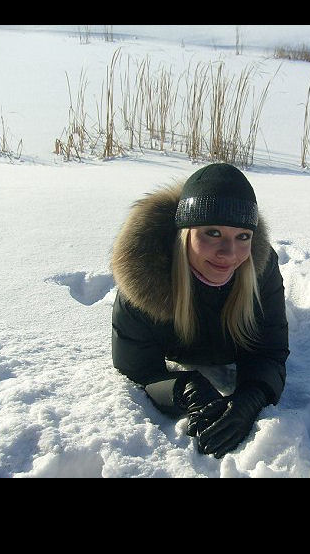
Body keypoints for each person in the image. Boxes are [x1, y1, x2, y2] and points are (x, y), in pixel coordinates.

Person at [110, 163, 290, 458]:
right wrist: (183, 388)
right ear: (185, 233)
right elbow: (136, 366)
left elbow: (270, 349)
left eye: (243, 236)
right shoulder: (144, 277)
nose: (229, 253)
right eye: (213, 232)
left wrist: (252, 395)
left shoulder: (261, 270)